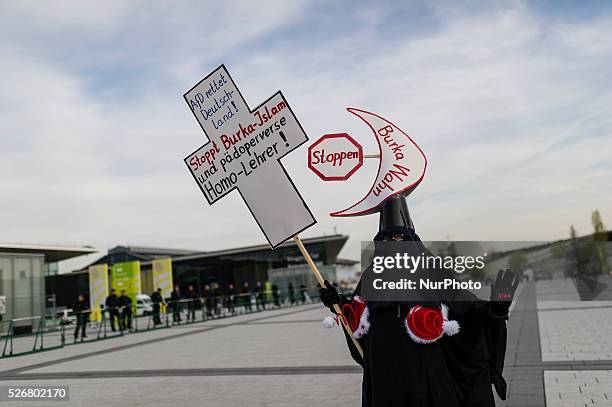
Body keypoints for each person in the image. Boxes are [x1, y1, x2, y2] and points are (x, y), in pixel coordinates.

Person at [319, 195, 519, 407]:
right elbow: (359, 318)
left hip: (426, 381)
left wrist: (496, 309)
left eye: (399, 238)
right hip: (384, 380)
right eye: (386, 239)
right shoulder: (371, 276)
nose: (393, 245)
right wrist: (339, 302)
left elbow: (468, 313)